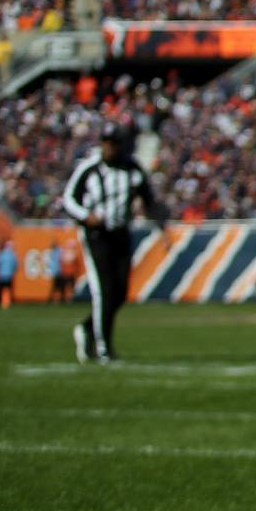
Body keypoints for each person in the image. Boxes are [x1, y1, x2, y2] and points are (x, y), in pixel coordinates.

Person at [60, 123, 167, 364]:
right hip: (97, 235)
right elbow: (68, 198)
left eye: (113, 144)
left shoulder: (131, 168)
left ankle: (87, 329)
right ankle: (104, 348)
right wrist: (86, 215)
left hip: (121, 234)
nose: (109, 148)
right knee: (104, 290)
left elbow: (148, 199)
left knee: (120, 292)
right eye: (106, 143)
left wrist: (161, 226)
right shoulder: (90, 168)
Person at [0, 235, 15, 308]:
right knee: (8, 288)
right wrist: (13, 270)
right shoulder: (12, 255)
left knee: (2, 288)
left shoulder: (1, 254)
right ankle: (7, 302)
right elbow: (15, 264)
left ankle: (3, 301)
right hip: (9, 274)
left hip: (2, 274)